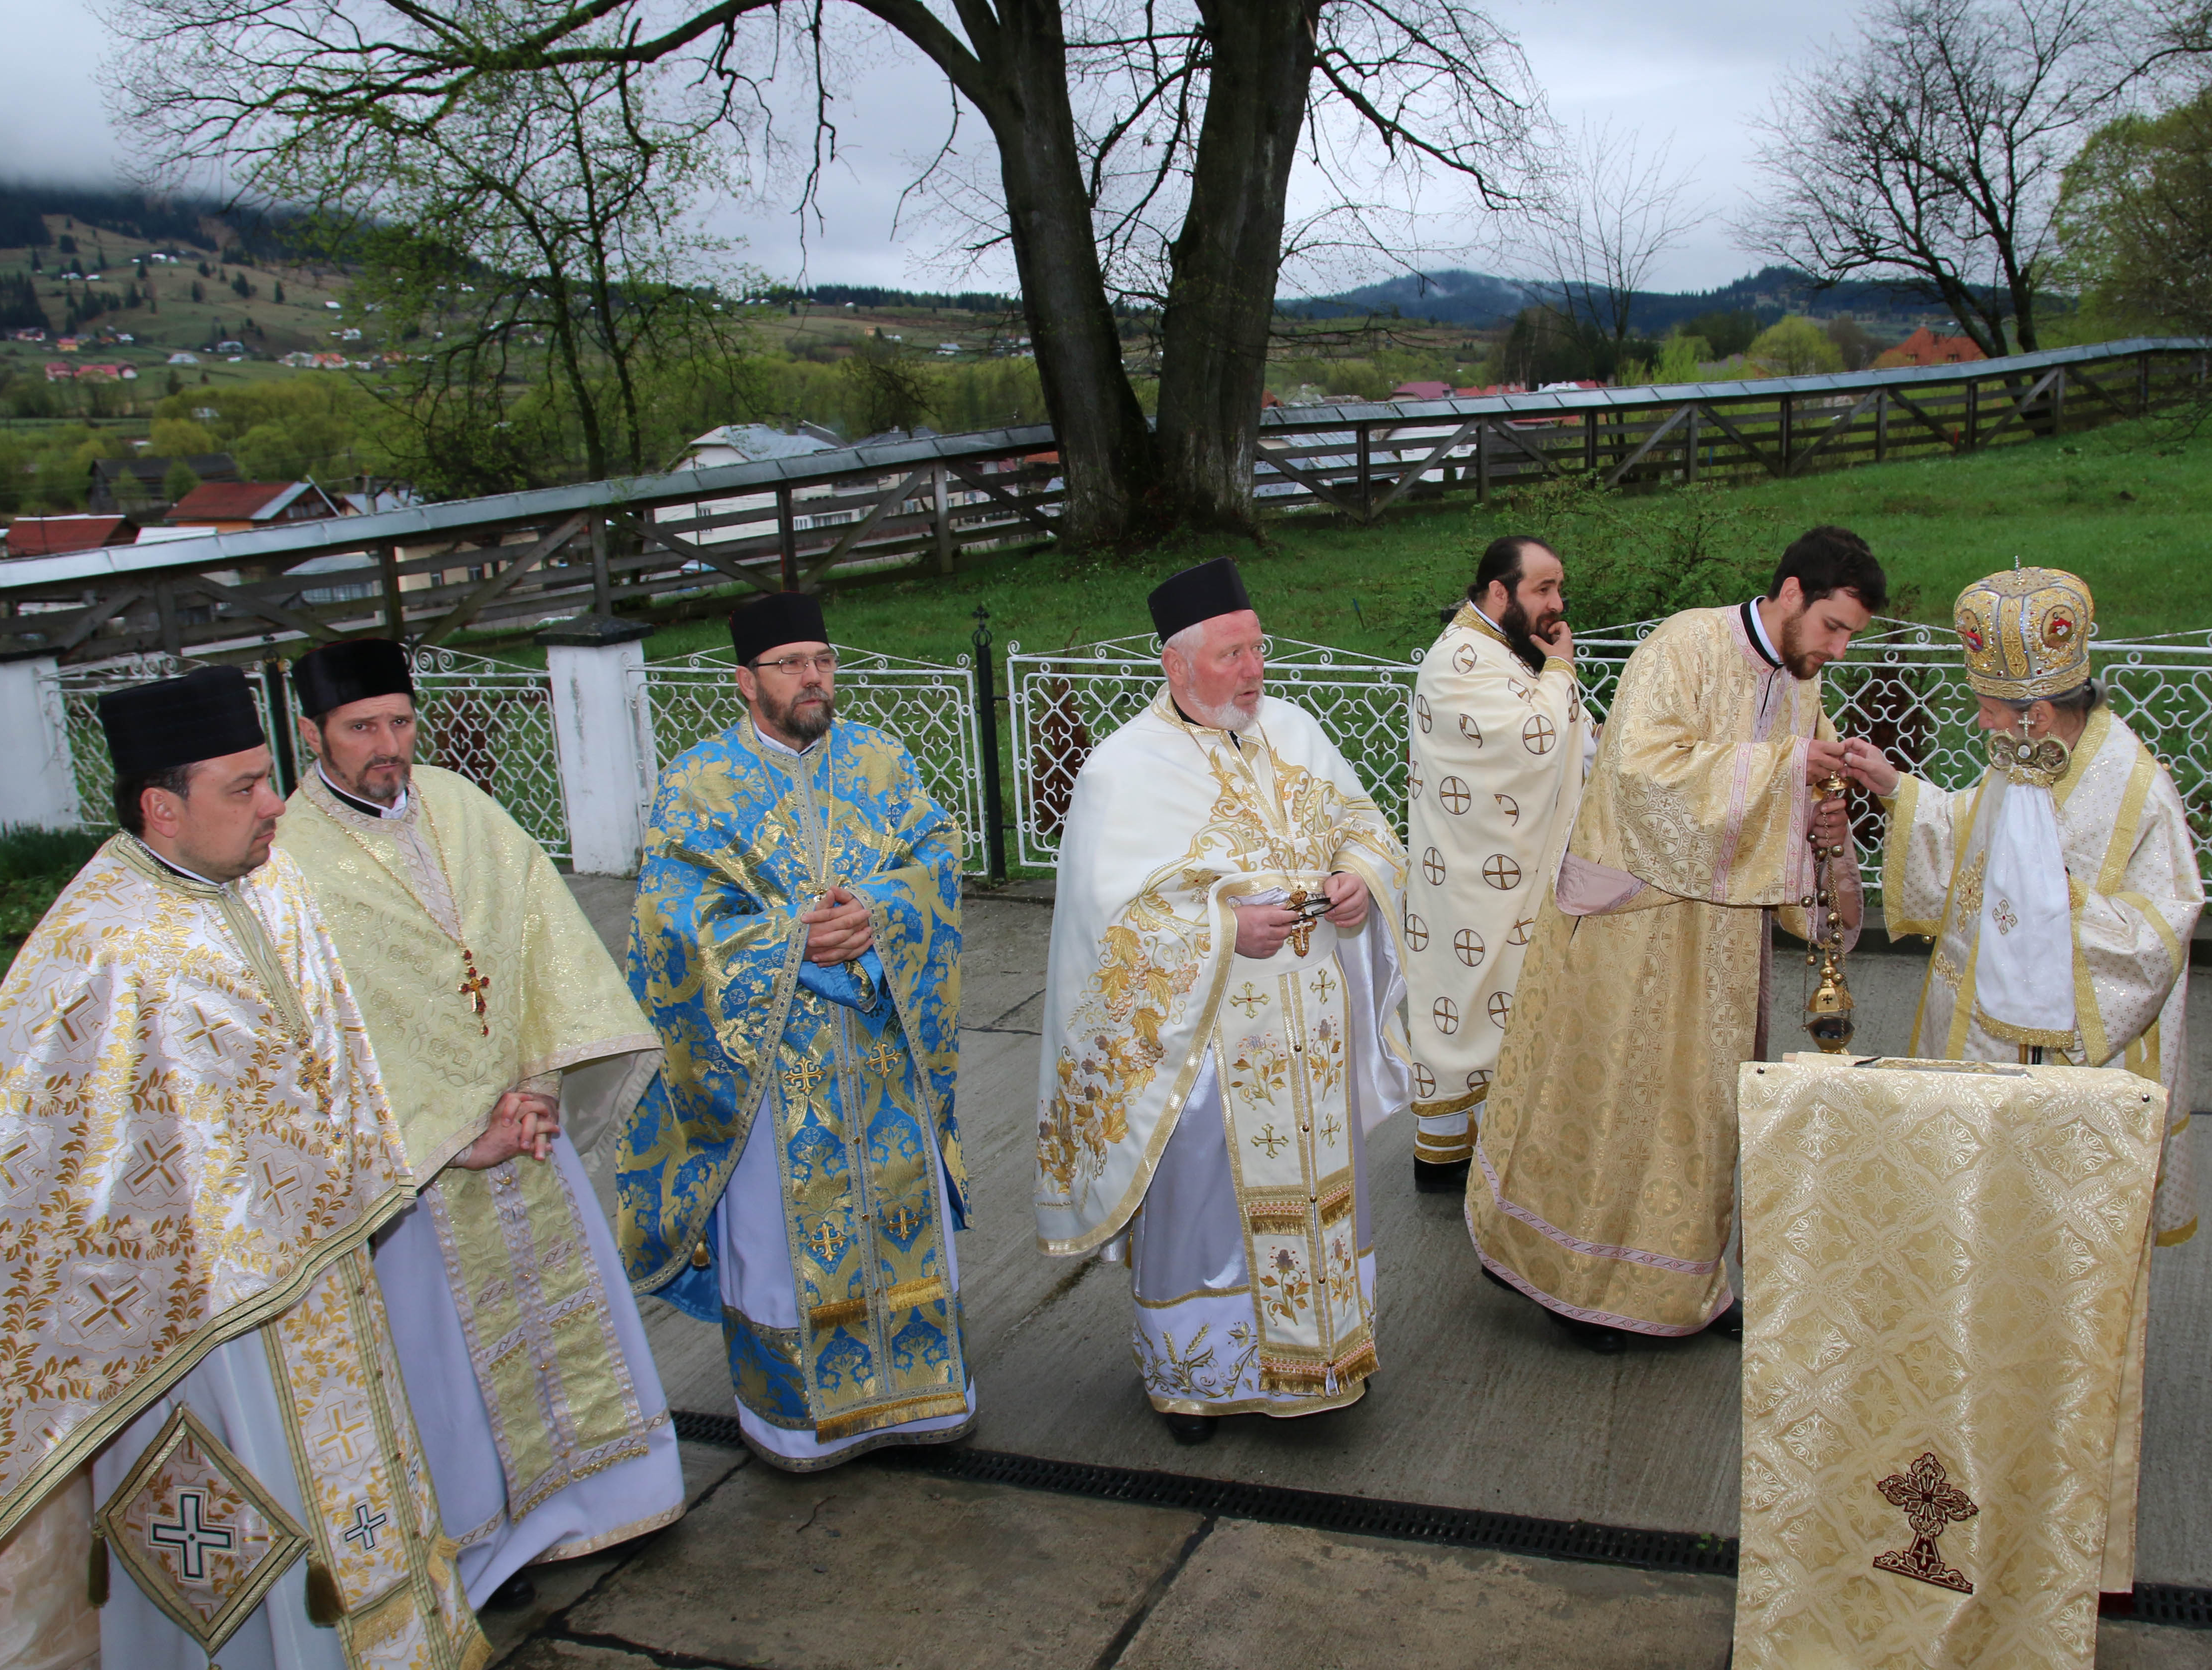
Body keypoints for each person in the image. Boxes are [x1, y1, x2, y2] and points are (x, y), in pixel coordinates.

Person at [0, 665, 491, 1668]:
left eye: (269, 779)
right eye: (243, 789)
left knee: (362, 1519)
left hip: (325, 1295)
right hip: (198, 1337)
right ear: (160, 808)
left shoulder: (275, 886)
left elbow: (339, 1062)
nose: (274, 807)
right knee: (253, 1547)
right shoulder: (104, 948)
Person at [272, 638, 684, 1611]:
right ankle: (483, 1543)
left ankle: (607, 1496)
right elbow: (323, 1031)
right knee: (441, 1370)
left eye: (401, 721)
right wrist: (454, 1137)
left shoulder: (462, 807)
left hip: (523, 1128)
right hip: (418, 1174)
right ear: (310, 733)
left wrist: (540, 1080)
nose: (388, 745)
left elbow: (541, 937)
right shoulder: (290, 857)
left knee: (573, 1318)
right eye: (362, 728)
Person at [1467, 527, 1883, 1352]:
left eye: (1851, 637)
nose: (1837, 650)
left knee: (1699, 1111)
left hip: (1723, 943)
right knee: (1610, 1102)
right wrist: (1786, 771)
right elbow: (1640, 769)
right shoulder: (1686, 644)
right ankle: (1567, 1281)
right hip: (1635, 925)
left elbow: (1796, 780)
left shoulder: (1800, 681)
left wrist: (1820, 812)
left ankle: (1685, 1278)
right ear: (1793, 592)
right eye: (1834, 626)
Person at [1035, 557, 1410, 1445]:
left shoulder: (1296, 729)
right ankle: (1199, 1375)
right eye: (1233, 654)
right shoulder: (1122, 770)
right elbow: (1106, 923)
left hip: (1309, 1029)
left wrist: (1358, 879)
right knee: (1206, 1205)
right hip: (1204, 1044)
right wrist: (1221, 931)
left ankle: (1322, 1356)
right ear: (1177, 665)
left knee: (1323, 1194)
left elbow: (1364, 823)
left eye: (1258, 649)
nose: (1254, 671)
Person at [616, 591, 971, 1471]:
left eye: (823, 660)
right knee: (782, 1243)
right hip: (773, 1067)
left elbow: (937, 859)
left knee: (900, 1224)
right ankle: (798, 1423)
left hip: (883, 1052)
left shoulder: (882, 763)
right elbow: (674, 925)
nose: (813, 679)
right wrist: (790, 942)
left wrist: (881, 912)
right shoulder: (697, 786)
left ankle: (919, 1403)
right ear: (746, 681)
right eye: (790, 665)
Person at [1840, 566, 2202, 1242]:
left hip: (2072, 1056)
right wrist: (1897, 789)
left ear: (2034, 711)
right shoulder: (2023, 755)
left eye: (1988, 705)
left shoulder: (2135, 792)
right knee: (1973, 1220)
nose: (1980, 719)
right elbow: (1970, 834)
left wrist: (2049, 905)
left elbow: (2160, 932)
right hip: (1978, 1029)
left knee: (2055, 1235)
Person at [1404, 535, 1593, 1192]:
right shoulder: (1461, 658)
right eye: (1543, 589)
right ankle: (1478, 1163)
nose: (1558, 604)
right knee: (1479, 1004)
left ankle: (1479, 1152)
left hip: (1494, 869)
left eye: (1559, 588)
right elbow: (1535, 742)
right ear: (1498, 593)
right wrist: (1563, 671)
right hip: (1474, 883)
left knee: (1496, 1006)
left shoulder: (1497, 650)